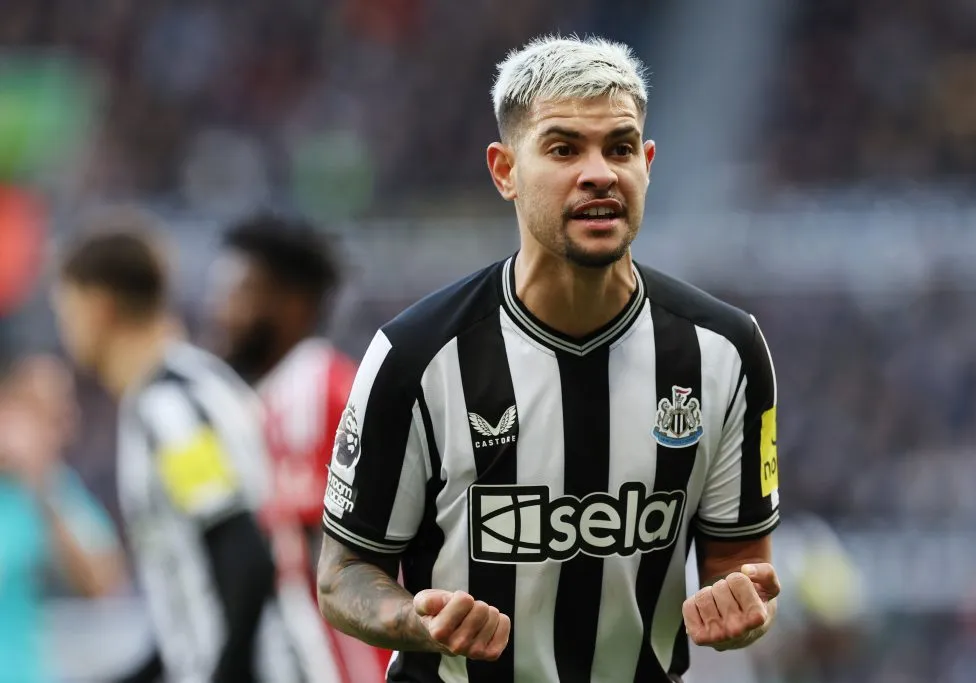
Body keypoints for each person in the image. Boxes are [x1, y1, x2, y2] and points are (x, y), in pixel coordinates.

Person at [315, 35, 782, 683]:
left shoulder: (726, 350)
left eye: (620, 147)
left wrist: (740, 607)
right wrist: (416, 620)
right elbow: (342, 574)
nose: (599, 172)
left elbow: (739, 563)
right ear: (504, 170)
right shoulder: (417, 353)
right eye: (564, 148)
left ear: (647, 163)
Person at [50, 210, 297, 683]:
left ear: (99, 307)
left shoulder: (172, 410)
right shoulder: (177, 392)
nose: (66, 329)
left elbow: (242, 552)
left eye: (66, 308)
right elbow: (198, 591)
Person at [207, 213, 391, 682]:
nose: (221, 312)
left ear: (292, 304)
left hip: (340, 664)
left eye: (239, 294)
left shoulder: (314, 389)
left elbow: (324, 542)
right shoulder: (266, 397)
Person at [0, 353, 125, 683]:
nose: (63, 432)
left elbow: (102, 581)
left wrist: (41, 484)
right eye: (47, 417)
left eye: (64, 418)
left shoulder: (53, 487)